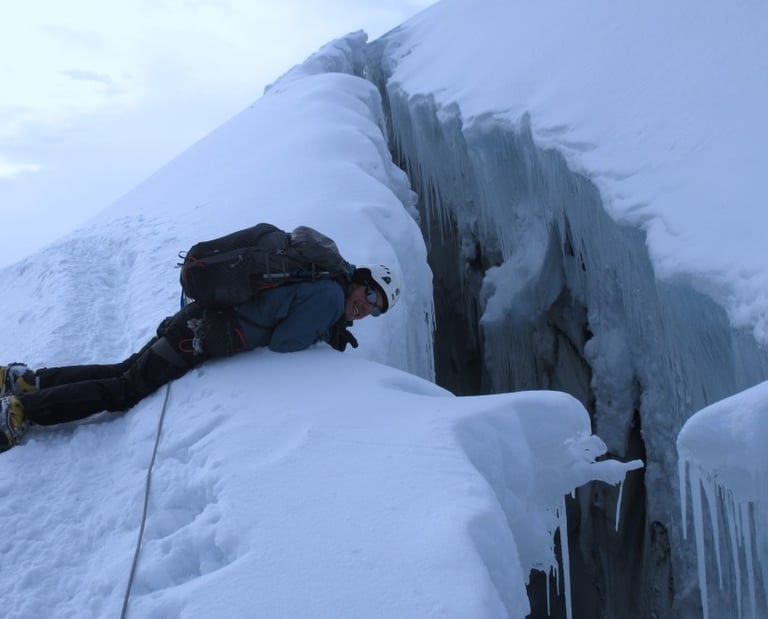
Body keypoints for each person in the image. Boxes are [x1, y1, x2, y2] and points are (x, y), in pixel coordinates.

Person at [0, 263, 401, 453]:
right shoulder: (329, 297)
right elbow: (285, 343)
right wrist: (319, 333)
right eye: (369, 294)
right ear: (358, 281)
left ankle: (26, 381)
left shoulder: (326, 283)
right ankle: (22, 408)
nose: (367, 307)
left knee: (126, 371)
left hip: (198, 321)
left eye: (376, 308)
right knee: (125, 390)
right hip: (198, 335)